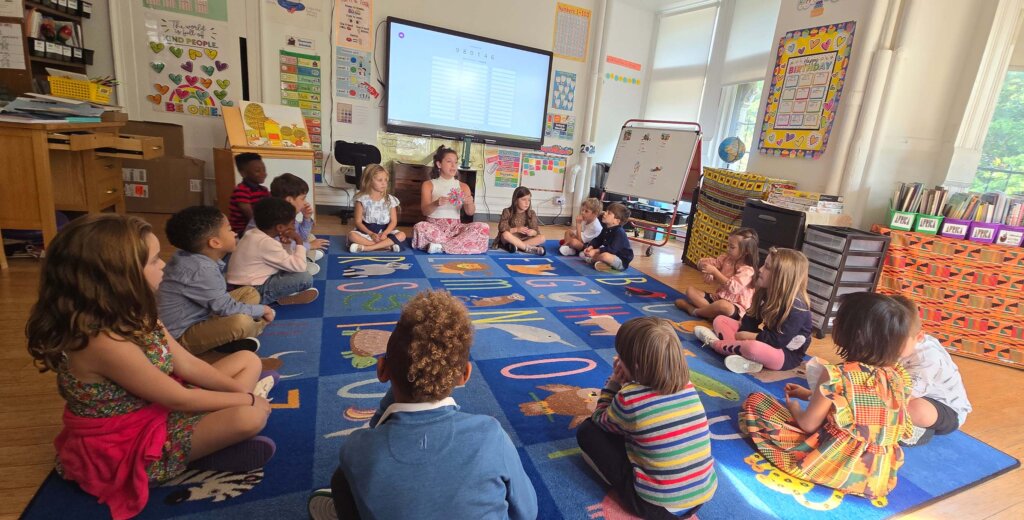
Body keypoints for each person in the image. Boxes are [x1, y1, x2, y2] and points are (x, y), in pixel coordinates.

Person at [25, 214, 275, 519]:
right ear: (120, 275)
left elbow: (188, 364)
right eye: (155, 260)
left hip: (160, 403)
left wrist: (237, 392)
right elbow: (178, 398)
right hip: (130, 437)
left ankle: (215, 433)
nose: (165, 266)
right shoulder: (102, 341)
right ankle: (185, 460)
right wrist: (247, 399)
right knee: (249, 416)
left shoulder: (137, 314)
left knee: (247, 360)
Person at [309, 290, 537, 520]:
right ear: (465, 375)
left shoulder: (357, 449)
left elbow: (377, 427)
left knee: (342, 479)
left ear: (381, 369)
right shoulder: (491, 435)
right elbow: (527, 513)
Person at [739, 292, 917, 500]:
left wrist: (794, 407)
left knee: (755, 401)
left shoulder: (838, 374)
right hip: (875, 476)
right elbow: (860, 412)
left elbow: (808, 425)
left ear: (856, 334)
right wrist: (810, 395)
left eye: (838, 321)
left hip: (828, 463)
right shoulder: (898, 376)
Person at [577, 317, 716, 519]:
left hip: (654, 506)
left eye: (620, 357)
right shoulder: (686, 384)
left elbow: (600, 419)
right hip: (700, 497)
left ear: (633, 365)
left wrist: (614, 385)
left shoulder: (630, 397)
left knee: (588, 431)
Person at [159, 206, 275, 355]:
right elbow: (224, 307)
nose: (234, 233)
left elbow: (219, 301)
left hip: (203, 314)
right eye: (229, 229)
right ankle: (216, 351)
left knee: (249, 292)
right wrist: (263, 309)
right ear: (215, 243)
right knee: (241, 322)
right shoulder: (201, 269)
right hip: (181, 337)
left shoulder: (190, 255)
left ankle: (225, 340)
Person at [692, 247, 813, 374]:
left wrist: (748, 336)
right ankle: (743, 356)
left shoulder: (797, 308)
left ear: (781, 277)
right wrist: (744, 332)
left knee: (753, 348)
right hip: (765, 340)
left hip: (784, 354)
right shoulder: (764, 292)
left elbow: (777, 341)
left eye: (767, 267)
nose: (760, 270)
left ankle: (715, 344)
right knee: (720, 320)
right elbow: (750, 319)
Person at [892, 295, 972, 447]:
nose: (889, 349)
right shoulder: (902, 342)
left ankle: (918, 431)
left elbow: (903, 396)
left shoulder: (927, 359)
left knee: (917, 410)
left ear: (919, 337)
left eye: (897, 344)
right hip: (905, 387)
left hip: (944, 408)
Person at [227, 197, 319, 306]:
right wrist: (298, 241)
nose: (294, 226)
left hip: (246, 283)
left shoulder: (253, 233)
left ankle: (285, 292)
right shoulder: (267, 243)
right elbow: (300, 268)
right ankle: (276, 298)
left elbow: (283, 258)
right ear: (280, 227)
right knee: (305, 278)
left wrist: (287, 244)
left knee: (293, 266)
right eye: (292, 223)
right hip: (251, 291)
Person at [411, 146, 490, 254]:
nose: (453, 166)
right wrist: (436, 203)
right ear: (439, 164)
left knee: (483, 227)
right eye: (449, 162)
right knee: (420, 227)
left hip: (455, 229)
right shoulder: (428, 184)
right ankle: (459, 246)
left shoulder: (463, 186)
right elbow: (425, 211)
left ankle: (441, 246)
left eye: (456, 162)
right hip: (435, 228)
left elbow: (470, 212)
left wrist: (469, 203)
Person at [674, 228, 758, 321]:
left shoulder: (747, 270)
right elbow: (703, 262)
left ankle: (695, 311)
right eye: (728, 245)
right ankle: (710, 313)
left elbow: (733, 288)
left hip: (734, 307)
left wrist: (715, 272)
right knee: (690, 290)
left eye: (732, 247)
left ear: (746, 251)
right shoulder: (726, 259)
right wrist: (708, 271)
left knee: (723, 305)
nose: (728, 249)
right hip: (718, 298)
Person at [268, 173, 330, 264]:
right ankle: (306, 261)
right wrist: (310, 246)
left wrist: (307, 218)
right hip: (274, 257)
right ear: (289, 200)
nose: (305, 203)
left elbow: (302, 236)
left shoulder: (287, 214)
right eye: (303, 199)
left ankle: (307, 257)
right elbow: (284, 245)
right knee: (304, 245)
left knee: (310, 236)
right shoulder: (276, 219)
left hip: (288, 247)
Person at [347, 164, 406, 253]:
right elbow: (358, 222)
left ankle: (368, 248)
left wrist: (385, 233)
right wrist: (371, 234)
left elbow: (393, 221)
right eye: (380, 180)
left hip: (385, 233)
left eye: (386, 180)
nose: (384, 183)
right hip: (367, 232)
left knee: (402, 235)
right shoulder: (361, 199)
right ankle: (386, 246)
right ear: (369, 181)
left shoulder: (390, 199)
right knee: (352, 235)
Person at [493, 186, 546, 255]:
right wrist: (516, 229)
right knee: (505, 234)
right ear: (516, 200)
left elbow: (536, 231)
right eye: (523, 199)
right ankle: (530, 248)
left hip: (525, 239)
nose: (527, 203)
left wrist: (533, 232)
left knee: (542, 238)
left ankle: (518, 246)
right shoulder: (507, 211)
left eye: (529, 200)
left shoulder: (531, 213)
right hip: (510, 239)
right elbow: (502, 228)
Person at [582, 202, 634, 271]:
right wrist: (590, 247)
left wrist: (595, 251)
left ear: (616, 221)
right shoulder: (606, 228)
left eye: (609, 213)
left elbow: (612, 249)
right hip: (610, 254)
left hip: (621, 261)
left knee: (605, 256)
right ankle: (603, 265)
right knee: (597, 253)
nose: (605, 213)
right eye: (606, 211)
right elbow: (598, 240)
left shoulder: (619, 232)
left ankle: (593, 260)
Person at [228, 153, 269, 236]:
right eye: (257, 171)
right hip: (241, 231)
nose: (263, 173)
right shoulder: (241, 190)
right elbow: (250, 216)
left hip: (257, 227)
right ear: (243, 173)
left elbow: (273, 206)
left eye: (264, 170)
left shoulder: (264, 190)